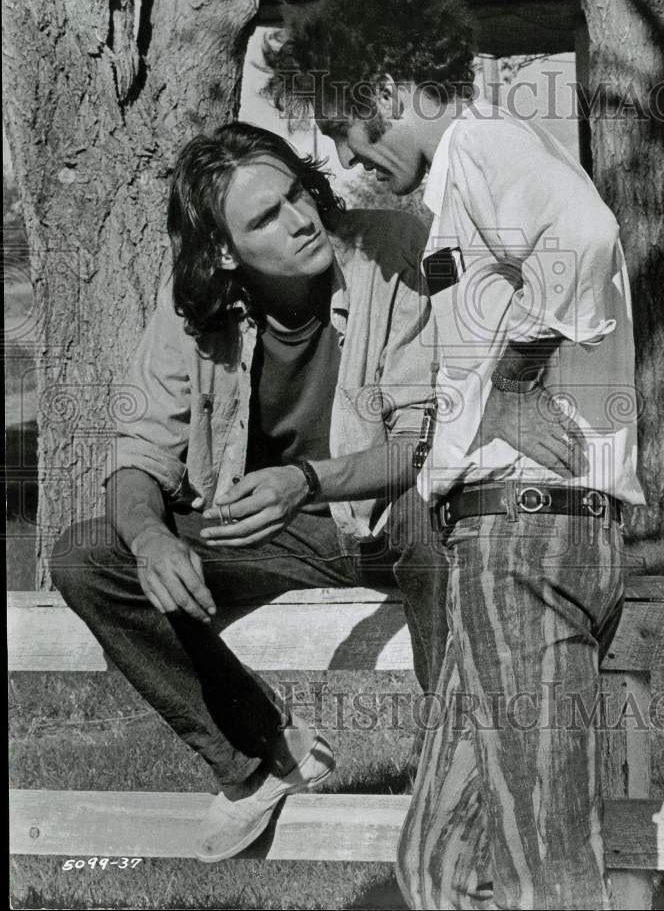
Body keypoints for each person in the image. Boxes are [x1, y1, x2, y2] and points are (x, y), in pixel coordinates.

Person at [265, 0, 645, 910]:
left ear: (392, 87)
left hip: (528, 531)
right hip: (493, 539)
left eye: (351, 137)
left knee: (536, 861)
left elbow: (587, 236)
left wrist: (517, 381)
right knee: (437, 864)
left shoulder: (484, 145)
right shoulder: (459, 188)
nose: (350, 167)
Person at [50, 121, 447, 863]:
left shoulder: (392, 253)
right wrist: (152, 536)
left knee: (438, 531)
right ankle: (263, 754)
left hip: (384, 514)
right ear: (226, 250)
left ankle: (463, 775)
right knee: (86, 556)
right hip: (265, 529)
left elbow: (418, 444)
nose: (301, 219)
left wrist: (305, 482)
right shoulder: (191, 300)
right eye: (266, 216)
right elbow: (140, 451)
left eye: (298, 193)